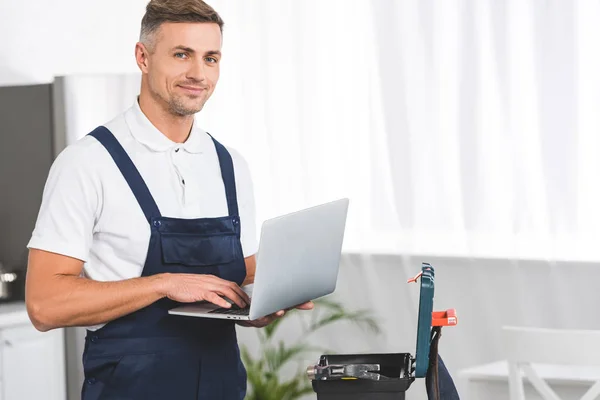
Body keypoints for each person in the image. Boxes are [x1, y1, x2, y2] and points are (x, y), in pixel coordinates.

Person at [24, 1, 313, 399]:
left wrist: (270, 291)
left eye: (210, 58)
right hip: (131, 387)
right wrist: (163, 284)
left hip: (222, 384)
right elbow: (44, 304)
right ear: (143, 57)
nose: (198, 73)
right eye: (182, 55)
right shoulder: (87, 162)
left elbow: (232, 268)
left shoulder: (230, 165)